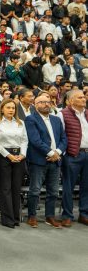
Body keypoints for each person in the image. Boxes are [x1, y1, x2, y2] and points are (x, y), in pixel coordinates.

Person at [24, 92, 67, 228]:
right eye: (41, 102)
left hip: (55, 159)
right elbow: (35, 140)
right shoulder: (31, 119)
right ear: (35, 105)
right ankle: (32, 216)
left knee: (53, 191)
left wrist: (57, 152)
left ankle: (50, 216)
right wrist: (50, 152)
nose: (45, 104)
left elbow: (64, 139)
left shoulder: (56, 119)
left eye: (47, 102)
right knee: (35, 190)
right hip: (39, 160)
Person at [0, 98, 27, 228]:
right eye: (8, 108)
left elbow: (24, 140)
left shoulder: (20, 122)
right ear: (2, 109)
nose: (11, 110)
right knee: (5, 189)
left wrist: (22, 154)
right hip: (4, 156)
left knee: (16, 188)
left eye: (13, 108)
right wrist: (9, 155)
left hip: (19, 156)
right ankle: (7, 219)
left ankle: (16, 218)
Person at [59, 89, 88, 226]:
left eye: (84, 97)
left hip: (87, 153)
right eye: (80, 97)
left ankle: (84, 214)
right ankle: (67, 215)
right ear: (71, 101)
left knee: (86, 186)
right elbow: (61, 136)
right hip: (73, 155)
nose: (84, 99)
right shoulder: (62, 114)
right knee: (68, 186)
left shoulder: (87, 113)